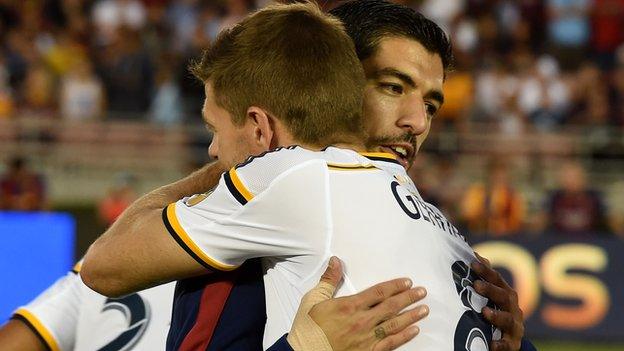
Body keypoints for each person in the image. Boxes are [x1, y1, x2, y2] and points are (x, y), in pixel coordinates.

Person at [81, 2, 531, 350]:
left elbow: (103, 266)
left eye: (432, 105)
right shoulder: (434, 227)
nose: (418, 121)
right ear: (333, 78)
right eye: (393, 87)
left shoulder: (287, 186)